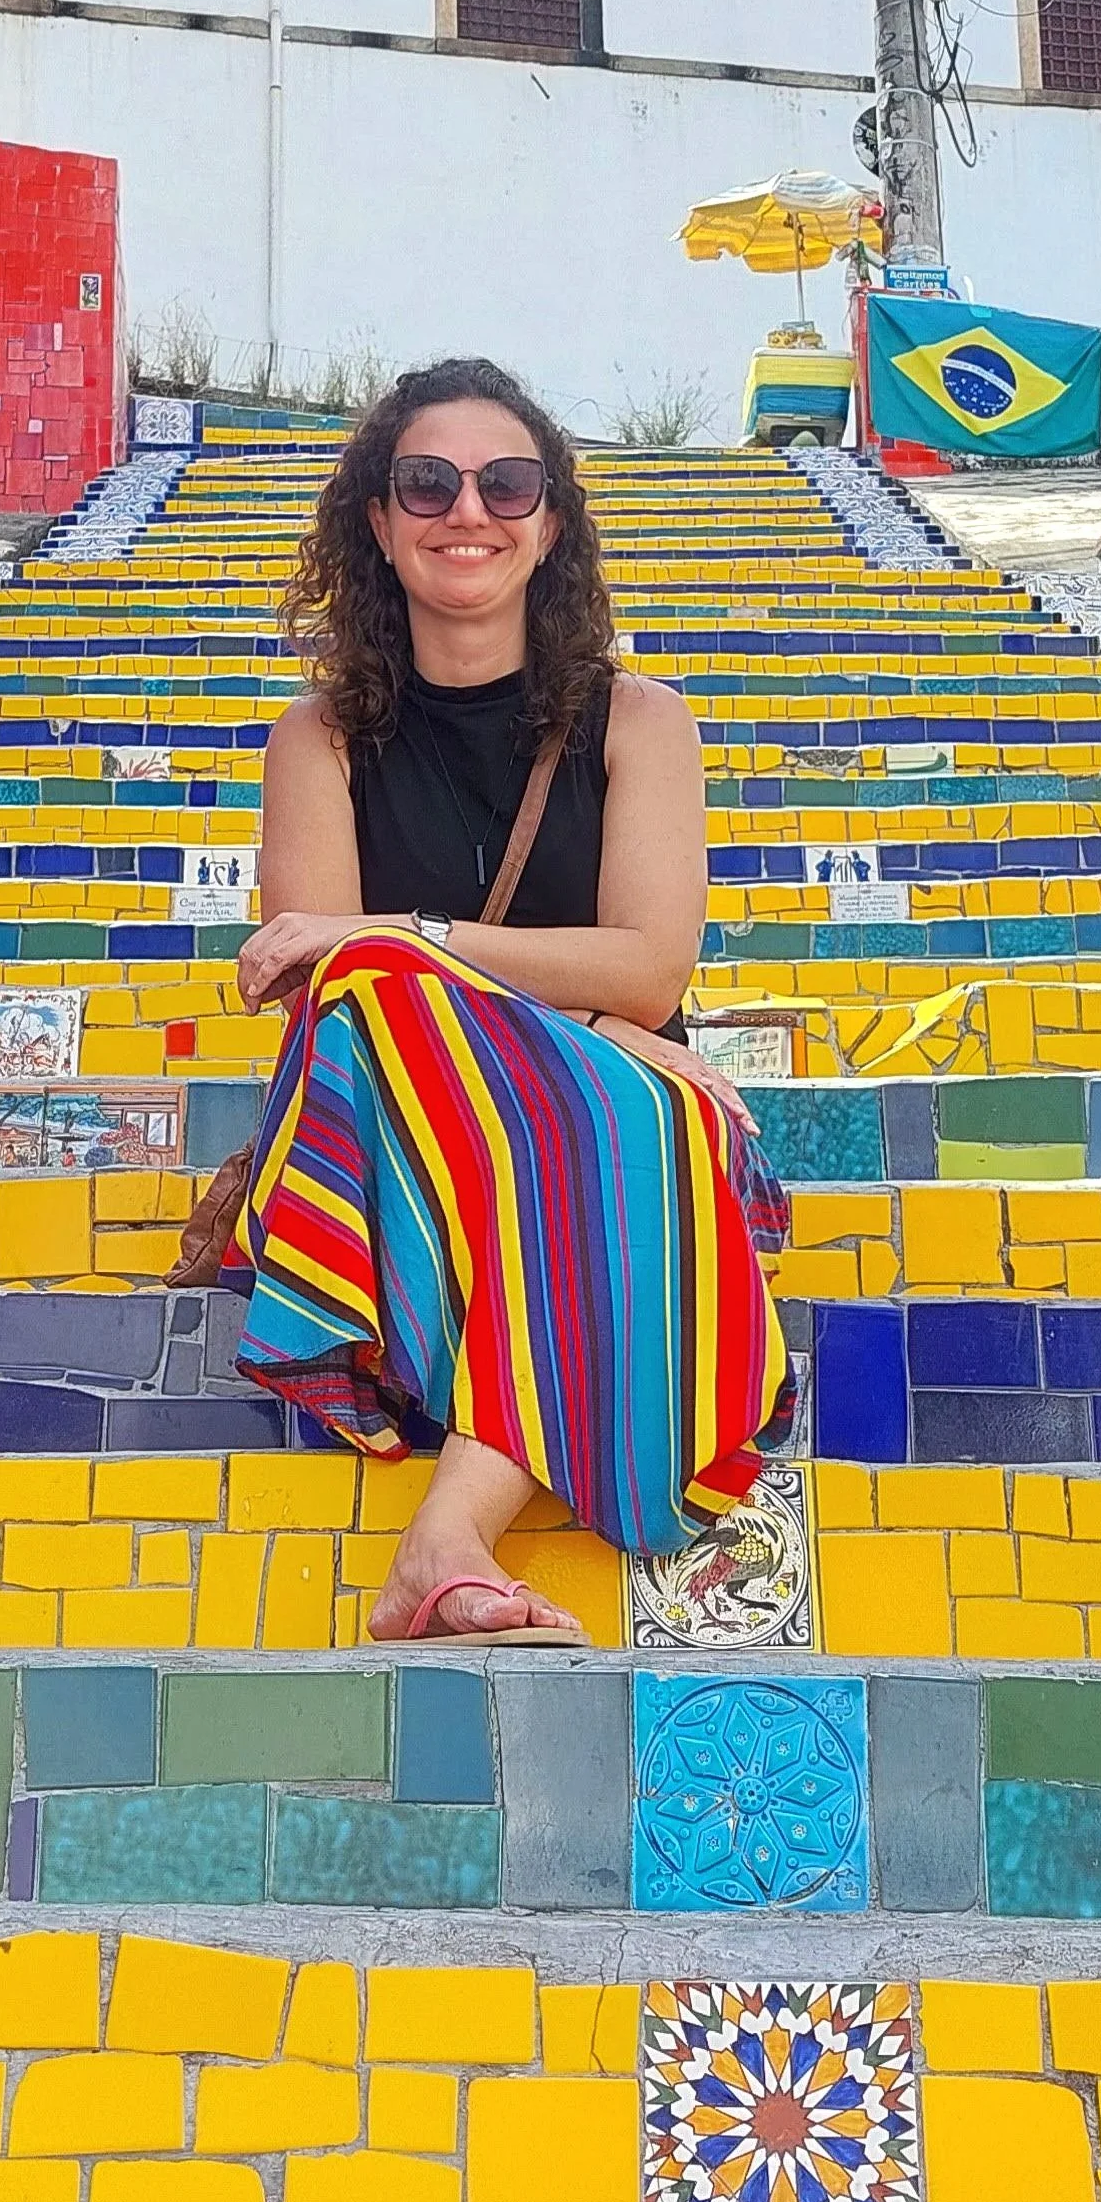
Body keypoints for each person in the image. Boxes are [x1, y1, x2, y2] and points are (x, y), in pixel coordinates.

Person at [224, 357, 797, 1642]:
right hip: (409, 1154)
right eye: (425, 483)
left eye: (506, 482)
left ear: (549, 523)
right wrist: (559, 1014)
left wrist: (407, 931)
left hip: (624, 1121)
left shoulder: (638, 721)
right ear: (376, 519)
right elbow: (324, 984)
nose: (464, 510)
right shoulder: (315, 740)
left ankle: (446, 1536)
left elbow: (650, 972)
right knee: (394, 999)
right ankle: (456, 1532)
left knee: (605, 1119)